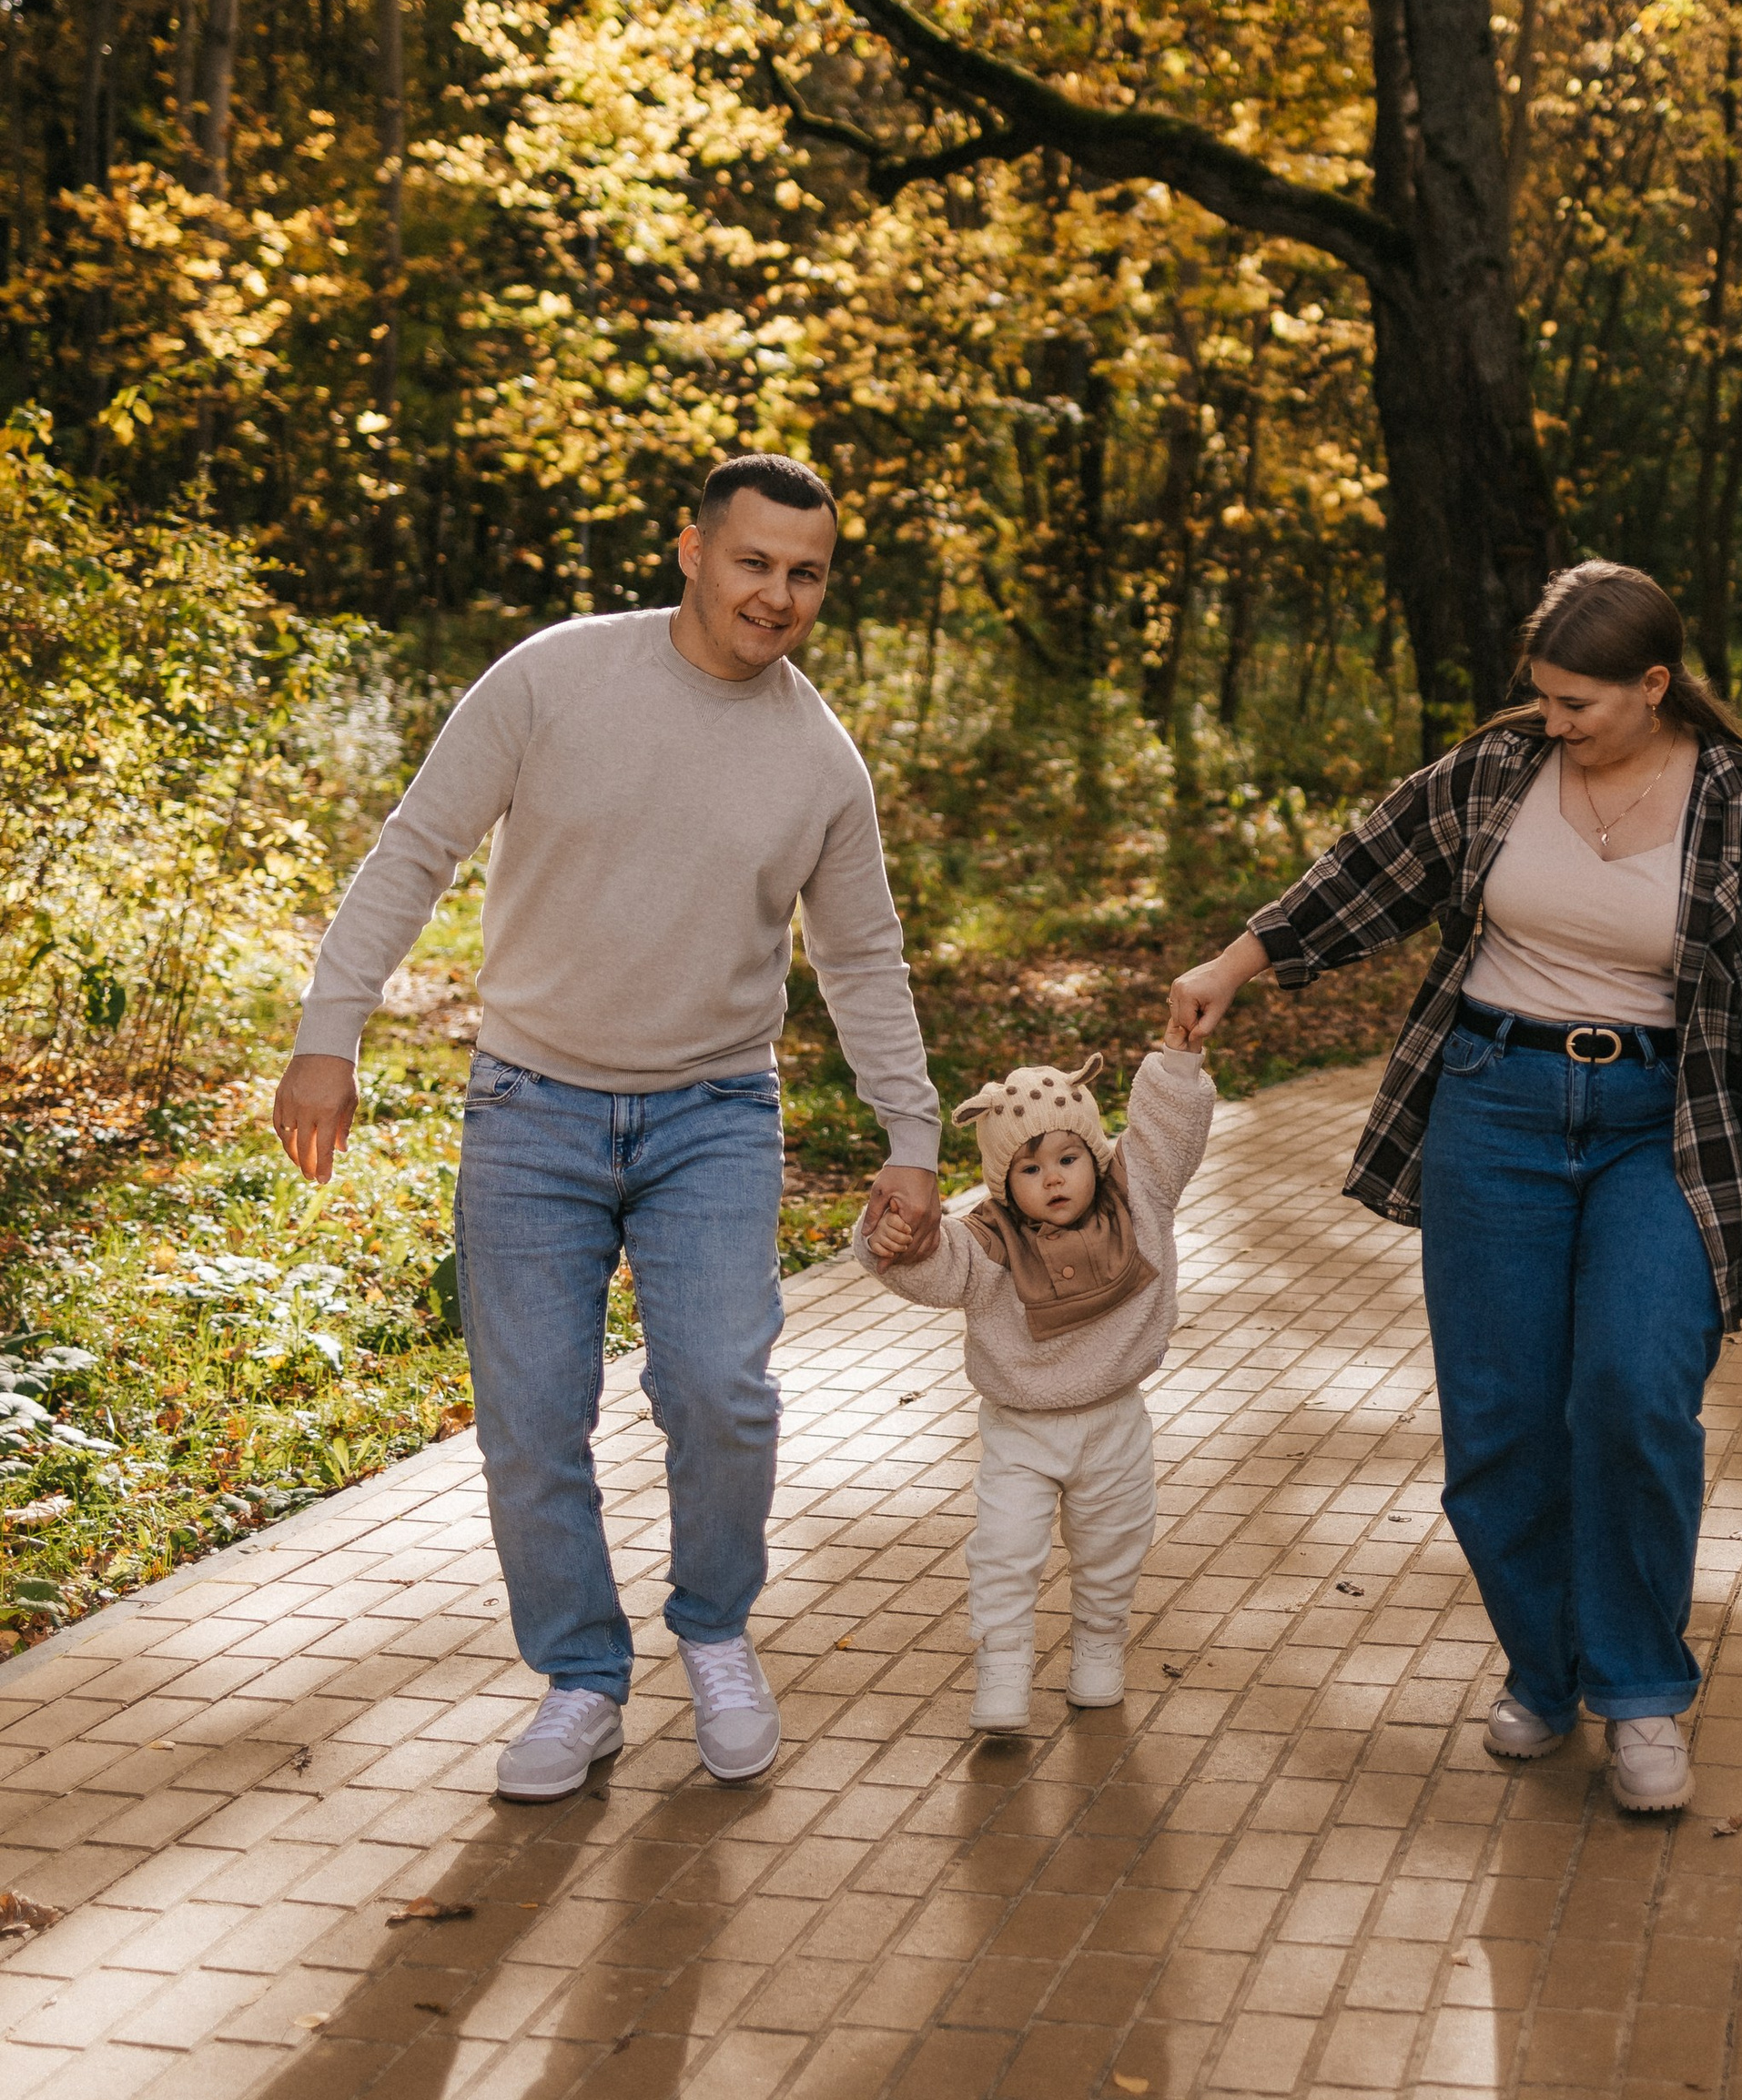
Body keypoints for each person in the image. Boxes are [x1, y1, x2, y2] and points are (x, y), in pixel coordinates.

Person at [271, 452, 942, 1802]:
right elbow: (418, 847)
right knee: (529, 1421)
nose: (778, 595)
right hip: (530, 1105)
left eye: (805, 574)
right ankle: (581, 1679)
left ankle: (712, 1632)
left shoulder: (819, 760)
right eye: (754, 561)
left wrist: (912, 1136)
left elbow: (863, 960)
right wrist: (324, 1031)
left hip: (713, 1112)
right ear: (692, 551)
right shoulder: (552, 677)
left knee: (720, 1391)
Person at [1169, 560, 1742, 1817]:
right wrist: (1235, 963)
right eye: (1543, 697)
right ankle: (1544, 1666)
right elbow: (1367, 868)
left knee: (1634, 1393)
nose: (1555, 723)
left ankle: (1638, 1692)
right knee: (1500, 1423)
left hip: (1667, 1126)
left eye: (1581, 704)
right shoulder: (1498, 770)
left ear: (1654, 685)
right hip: (1495, 1103)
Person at [857, 1033, 1215, 1735]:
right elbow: (933, 1266)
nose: (1053, 1179)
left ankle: (1099, 1650)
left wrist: (1178, 1063)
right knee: (1005, 1551)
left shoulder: (1140, 1196)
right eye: (1030, 1169)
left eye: (1068, 1159)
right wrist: (892, 1239)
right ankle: (1002, 1670)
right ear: (1002, 1183)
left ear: (1096, 1155)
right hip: (1020, 1430)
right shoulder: (987, 1242)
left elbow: (1169, 1133)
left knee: (1114, 1546)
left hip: (1114, 1421)